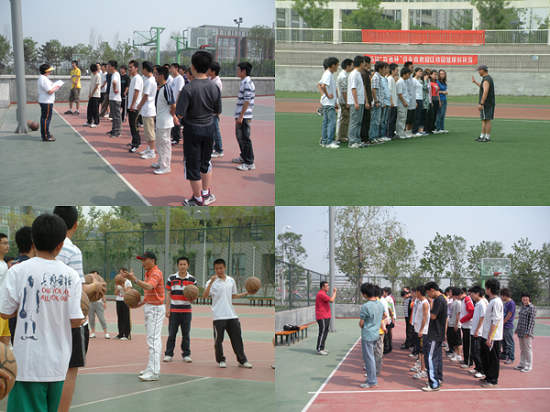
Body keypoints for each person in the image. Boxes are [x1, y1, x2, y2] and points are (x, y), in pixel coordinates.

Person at [0, 213, 84, 412]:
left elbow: (4, 312)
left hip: (27, 364)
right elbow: (76, 320)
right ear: (60, 245)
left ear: (33, 241)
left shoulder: (17, 271)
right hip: (58, 365)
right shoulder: (71, 276)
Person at [53, 206, 104, 412]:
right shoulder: (72, 250)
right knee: (69, 372)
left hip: (47, 318)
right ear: (75, 225)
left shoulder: (40, 246)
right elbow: (78, 292)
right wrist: (95, 286)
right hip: (71, 321)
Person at [175, 51, 221, 206]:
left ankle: (197, 198)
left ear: (193, 67)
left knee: (192, 166)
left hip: (193, 130)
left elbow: (179, 113)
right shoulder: (214, 87)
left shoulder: (188, 88)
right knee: (205, 162)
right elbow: (217, 110)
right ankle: (206, 193)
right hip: (209, 129)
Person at [203, 258, 252, 368]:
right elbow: (205, 295)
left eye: (221, 268)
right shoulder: (211, 282)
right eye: (216, 269)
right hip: (218, 316)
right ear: (214, 269)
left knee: (237, 339)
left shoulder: (231, 280)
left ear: (224, 268)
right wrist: (211, 283)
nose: (219, 270)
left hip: (232, 315)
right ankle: (221, 360)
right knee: (218, 341)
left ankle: (242, 360)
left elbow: (233, 295)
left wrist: (245, 294)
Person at [125, 252, 165, 381]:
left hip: (155, 309)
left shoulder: (156, 273)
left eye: (144, 260)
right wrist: (138, 305)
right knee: (152, 340)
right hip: (150, 307)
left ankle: (154, 372)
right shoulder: (148, 273)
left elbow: (149, 286)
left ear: (152, 260)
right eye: (141, 260)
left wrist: (135, 279)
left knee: (153, 340)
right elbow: (149, 294)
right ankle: (151, 367)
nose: (142, 263)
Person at [164, 257, 197, 363]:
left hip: (186, 311)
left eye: (184, 264)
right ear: (177, 265)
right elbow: (168, 294)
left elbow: (194, 296)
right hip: (174, 311)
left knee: (186, 335)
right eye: (181, 264)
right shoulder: (171, 278)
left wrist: (191, 297)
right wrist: (167, 309)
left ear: (188, 265)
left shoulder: (192, 280)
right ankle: (168, 354)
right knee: (171, 334)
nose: (182, 266)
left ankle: (186, 354)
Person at [422, 281, 447, 392]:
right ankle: (437, 379)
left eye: (428, 292)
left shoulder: (439, 300)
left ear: (432, 290)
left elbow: (433, 316)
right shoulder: (440, 299)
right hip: (437, 333)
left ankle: (434, 384)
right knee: (436, 358)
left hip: (435, 334)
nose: (428, 295)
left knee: (430, 358)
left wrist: (428, 309)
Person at [151, 65, 177, 175]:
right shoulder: (161, 88)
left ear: (161, 76)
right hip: (160, 121)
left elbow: (173, 105)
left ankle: (165, 166)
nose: (154, 76)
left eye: (156, 74)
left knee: (165, 144)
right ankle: (161, 162)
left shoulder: (167, 88)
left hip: (165, 122)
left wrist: (172, 116)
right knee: (159, 143)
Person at [359, 283, 384, 389]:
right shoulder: (380, 304)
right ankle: (371, 378)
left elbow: (361, 323)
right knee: (372, 357)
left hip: (368, 334)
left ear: (365, 294)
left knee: (369, 358)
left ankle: (372, 381)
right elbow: (384, 315)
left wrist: (365, 325)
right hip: (376, 333)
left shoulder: (366, 306)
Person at [479, 278, 503, 387]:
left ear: (489, 289)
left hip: (493, 337)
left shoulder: (496, 302)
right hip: (486, 335)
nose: (485, 290)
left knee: (493, 359)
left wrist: (490, 337)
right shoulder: (491, 301)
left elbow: (496, 320)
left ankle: (493, 380)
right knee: (486, 357)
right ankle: (488, 376)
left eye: (486, 288)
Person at [232, 61, 256, 171]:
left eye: (238, 70)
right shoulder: (244, 82)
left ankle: (249, 162)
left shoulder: (247, 83)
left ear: (244, 71)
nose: (237, 72)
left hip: (245, 116)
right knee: (240, 136)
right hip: (241, 115)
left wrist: (241, 116)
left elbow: (247, 101)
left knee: (245, 138)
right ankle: (244, 156)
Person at [137, 61, 157, 160]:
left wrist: (139, 105)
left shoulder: (150, 81)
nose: (141, 70)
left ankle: (152, 151)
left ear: (145, 69)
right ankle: (149, 148)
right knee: (147, 131)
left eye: (142, 68)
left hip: (148, 109)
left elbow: (145, 96)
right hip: (146, 109)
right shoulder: (149, 79)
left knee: (150, 132)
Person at [318, 57, 339, 149]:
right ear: (333, 65)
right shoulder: (328, 74)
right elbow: (323, 86)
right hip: (329, 103)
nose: (337, 67)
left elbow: (320, 85)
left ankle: (324, 141)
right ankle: (329, 141)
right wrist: (327, 95)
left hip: (328, 103)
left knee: (326, 122)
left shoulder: (327, 74)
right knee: (331, 122)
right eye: (337, 65)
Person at [37, 63, 60, 142]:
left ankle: (46, 134)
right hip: (46, 102)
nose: (50, 72)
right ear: (46, 71)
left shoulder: (43, 78)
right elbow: (49, 91)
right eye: (49, 71)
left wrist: (54, 86)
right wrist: (57, 87)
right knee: (46, 119)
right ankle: (46, 136)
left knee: (45, 118)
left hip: (46, 101)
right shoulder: (43, 79)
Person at [472, 65, 495, 142]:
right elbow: (483, 87)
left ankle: (486, 137)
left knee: (486, 120)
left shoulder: (486, 79)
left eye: (479, 70)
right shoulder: (487, 78)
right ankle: (482, 136)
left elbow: (485, 91)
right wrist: (475, 82)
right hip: (489, 103)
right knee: (484, 120)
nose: (478, 72)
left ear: (483, 70)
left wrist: (481, 103)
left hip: (486, 103)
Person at [411, 285, 430, 380]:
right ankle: (420, 367)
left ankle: (423, 371)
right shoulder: (419, 301)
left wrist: (422, 330)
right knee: (419, 350)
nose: (415, 294)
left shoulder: (425, 303)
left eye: (416, 292)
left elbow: (425, 318)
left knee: (423, 352)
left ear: (419, 292)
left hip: (423, 331)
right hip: (417, 329)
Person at [347, 56, 365, 148]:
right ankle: (352, 141)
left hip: (360, 101)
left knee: (358, 122)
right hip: (356, 102)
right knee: (354, 122)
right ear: (361, 63)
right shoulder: (354, 74)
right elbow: (353, 89)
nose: (364, 64)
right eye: (364, 63)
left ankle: (357, 140)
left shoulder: (358, 73)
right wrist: (356, 102)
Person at [469, 285, 487, 378]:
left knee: (477, 352)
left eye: (472, 294)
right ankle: (477, 367)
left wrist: (477, 330)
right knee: (473, 351)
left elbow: (482, 317)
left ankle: (482, 370)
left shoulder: (482, 303)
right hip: (474, 331)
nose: (471, 296)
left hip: (478, 332)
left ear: (477, 293)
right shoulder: (477, 303)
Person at [515, 292, 536, 373]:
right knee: (522, 349)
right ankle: (522, 364)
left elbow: (531, 321)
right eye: (523, 297)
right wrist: (517, 329)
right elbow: (520, 320)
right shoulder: (522, 307)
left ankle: (528, 365)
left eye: (526, 297)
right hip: (521, 331)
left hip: (527, 333)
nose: (524, 298)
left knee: (528, 349)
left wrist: (528, 332)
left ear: (529, 298)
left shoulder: (532, 308)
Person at [315, 281, 337, 355]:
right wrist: (335, 292)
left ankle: (322, 348)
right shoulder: (321, 294)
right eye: (327, 286)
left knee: (325, 332)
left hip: (326, 316)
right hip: (322, 317)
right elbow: (331, 300)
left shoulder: (324, 294)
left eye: (328, 286)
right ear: (322, 287)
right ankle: (319, 349)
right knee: (322, 332)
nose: (328, 287)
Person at [207, 61, 224, 155]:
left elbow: (215, 98)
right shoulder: (211, 79)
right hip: (209, 109)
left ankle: (219, 149)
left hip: (213, 110)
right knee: (212, 130)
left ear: (213, 71)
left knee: (215, 130)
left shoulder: (217, 82)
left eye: (209, 69)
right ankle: (215, 147)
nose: (207, 70)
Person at [127, 60, 143, 153]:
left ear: (136, 68)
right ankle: (136, 141)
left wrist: (133, 105)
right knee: (132, 125)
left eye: (131, 67)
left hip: (134, 106)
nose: (129, 69)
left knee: (134, 126)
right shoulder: (133, 78)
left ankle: (135, 144)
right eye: (129, 67)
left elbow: (136, 92)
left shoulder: (137, 78)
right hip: (131, 106)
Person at [336, 58, 353, 144]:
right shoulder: (343, 76)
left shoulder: (345, 74)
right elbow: (344, 91)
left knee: (345, 119)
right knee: (344, 119)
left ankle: (343, 136)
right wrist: (347, 102)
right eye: (352, 65)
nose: (353, 67)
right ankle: (341, 137)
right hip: (343, 101)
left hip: (343, 100)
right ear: (347, 66)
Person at [458, 287, 475, 370]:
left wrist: (462, 320)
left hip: (468, 326)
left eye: (457, 296)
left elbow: (471, 311)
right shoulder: (463, 300)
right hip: (464, 325)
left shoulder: (467, 299)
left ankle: (469, 362)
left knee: (468, 345)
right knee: (465, 344)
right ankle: (465, 360)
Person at [368, 61, 385, 144]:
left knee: (377, 120)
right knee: (374, 120)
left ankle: (375, 136)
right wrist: (376, 101)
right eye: (384, 68)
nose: (385, 70)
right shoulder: (376, 77)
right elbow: (373, 89)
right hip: (376, 102)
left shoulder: (379, 77)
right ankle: (372, 137)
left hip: (379, 102)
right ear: (380, 69)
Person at [114, 268, 132, 340]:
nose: (120, 274)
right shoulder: (117, 282)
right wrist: (117, 288)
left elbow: (128, 292)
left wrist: (123, 286)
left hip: (125, 301)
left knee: (126, 317)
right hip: (118, 300)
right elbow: (115, 293)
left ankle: (127, 334)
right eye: (120, 273)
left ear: (125, 273)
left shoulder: (128, 282)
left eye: (122, 273)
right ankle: (120, 334)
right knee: (120, 317)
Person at [500, 288, 516, 364]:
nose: (501, 297)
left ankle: (511, 358)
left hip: (508, 326)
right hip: (504, 325)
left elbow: (509, 314)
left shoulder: (511, 303)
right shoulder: (506, 303)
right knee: (504, 342)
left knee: (509, 343)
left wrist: (503, 322)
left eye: (502, 296)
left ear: (505, 295)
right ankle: (504, 355)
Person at [106, 60, 122, 138]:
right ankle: (114, 130)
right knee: (114, 116)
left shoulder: (115, 74)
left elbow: (114, 82)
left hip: (116, 99)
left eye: (108, 66)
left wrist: (115, 89)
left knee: (116, 116)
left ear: (113, 67)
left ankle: (117, 132)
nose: (107, 68)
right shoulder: (113, 74)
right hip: (113, 98)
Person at [447, 287, 463, 363]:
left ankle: (459, 355)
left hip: (455, 324)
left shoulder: (458, 302)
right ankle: (455, 353)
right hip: (451, 323)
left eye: (450, 292)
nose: (448, 293)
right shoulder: (453, 302)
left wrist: (456, 324)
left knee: (457, 341)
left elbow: (458, 314)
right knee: (452, 340)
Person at [395, 67, 411, 140]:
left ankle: (402, 132)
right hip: (401, 103)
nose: (409, 75)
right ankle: (399, 133)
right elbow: (399, 94)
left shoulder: (404, 81)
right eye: (408, 74)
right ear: (404, 74)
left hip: (405, 103)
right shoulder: (400, 82)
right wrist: (404, 102)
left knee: (403, 118)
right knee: (401, 118)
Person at [359, 56, 372, 145]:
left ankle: (366, 138)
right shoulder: (363, 74)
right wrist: (366, 101)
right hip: (365, 100)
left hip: (367, 99)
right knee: (365, 120)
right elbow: (363, 88)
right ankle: (364, 138)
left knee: (367, 120)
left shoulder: (366, 73)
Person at [83, 64, 101, 128]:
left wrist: (92, 94)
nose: (93, 72)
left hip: (96, 95)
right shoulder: (92, 75)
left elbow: (96, 86)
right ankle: (89, 121)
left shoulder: (98, 76)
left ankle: (96, 122)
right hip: (91, 95)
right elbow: (91, 85)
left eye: (94, 71)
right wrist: (89, 93)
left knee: (95, 110)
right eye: (92, 71)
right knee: (89, 109)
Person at [0, 233, 10, 345]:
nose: (7, 246)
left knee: (6, 339)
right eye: (4, 243)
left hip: (3, 308)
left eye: (8, 243)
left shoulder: (4, 264)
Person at [378, 62, 391, 141]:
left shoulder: (385, 79)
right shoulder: (380, 78)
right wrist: (383, 102)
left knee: (385, 120)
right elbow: (381, 92)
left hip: (387, 101)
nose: (388, 70)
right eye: (387, 68)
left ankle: (384, 135)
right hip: (384, 102)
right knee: (382, 120)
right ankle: (381, 135)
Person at [404, 62, 416, 138]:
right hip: (407, 101)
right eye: (411, 67)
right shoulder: (405, 78)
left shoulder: (411, 77)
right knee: (407, 118)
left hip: (412, 101)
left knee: (412, 117)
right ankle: (404, 132)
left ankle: (409, 132)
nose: (413, 69)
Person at [412, 68, 426, 136]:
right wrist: (414, 101)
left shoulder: (420, 81)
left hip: (420, 99)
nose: (421, 73)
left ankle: (418, 130)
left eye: (421, 72)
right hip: (416, 99)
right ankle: (414, 131)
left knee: (419, 116)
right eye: (419, 71)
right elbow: (412, 91)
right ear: (415, 72)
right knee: (416, 116)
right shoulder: (413, 80)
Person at [387, 63, 399, 140]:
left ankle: (392, 133)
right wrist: (391, 102)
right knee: (390, 120)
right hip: (392, 103)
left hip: (395, 102)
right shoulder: (390, 79)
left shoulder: (392, 79)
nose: (397, 72)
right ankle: (389, 134)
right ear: (392, 70)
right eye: (396, 70)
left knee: (393, 119)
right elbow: (389, 91)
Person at [382, 287, 395, 353]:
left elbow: (390, 309)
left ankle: (387, 348)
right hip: (388, 318)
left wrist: (392, 318)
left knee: (387, 334)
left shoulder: (387, 299)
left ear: (386, 292)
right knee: (388, 334)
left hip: (388, 318)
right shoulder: (387, 298)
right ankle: (389, 347)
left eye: (383, 291)